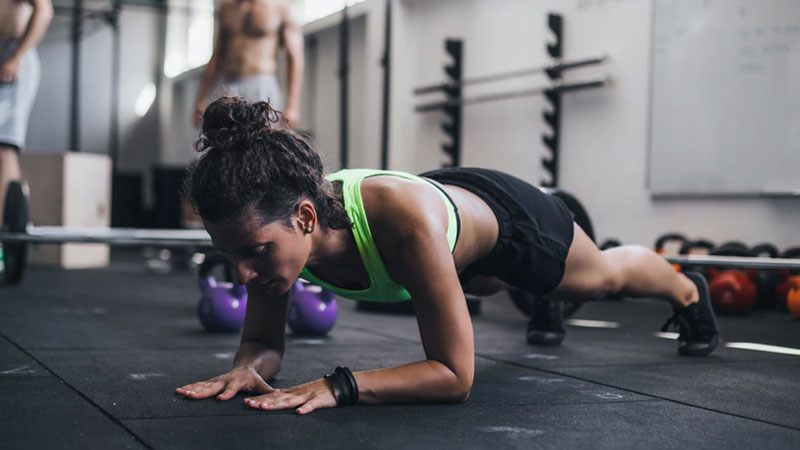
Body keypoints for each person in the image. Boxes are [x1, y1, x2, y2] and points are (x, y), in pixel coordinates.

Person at [175, 97, 720, 414]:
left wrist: (340, 385)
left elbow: (455, 376)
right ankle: (534, 288)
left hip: (511, 220)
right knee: (479, 282)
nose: (243, 273)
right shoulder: (275, 238)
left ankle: (688, 288)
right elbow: (265, 342)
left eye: (253, 253)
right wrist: (247, 369)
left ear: (306, 218)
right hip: (453, 229)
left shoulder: (401, 229)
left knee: (599, 279)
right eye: (231, 257)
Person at [192, 0, 304, 129]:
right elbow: (216, 57)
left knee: (262, 143)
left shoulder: (280, 6)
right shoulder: (227, 7)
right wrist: (201, 100)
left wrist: (293, 106)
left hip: (262, 86)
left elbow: (294, 57)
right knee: (224, 142)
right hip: (228, 86)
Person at [0, 0, 52, 224]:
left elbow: (45, 12)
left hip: (14, 54)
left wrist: (18, 56)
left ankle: (3, 233)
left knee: (4, 146)